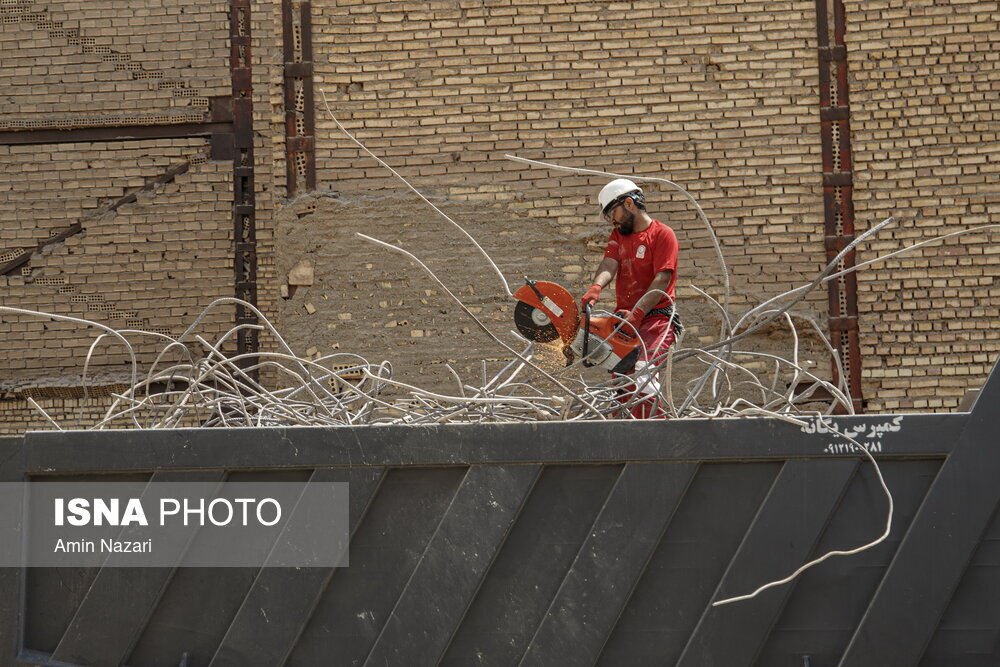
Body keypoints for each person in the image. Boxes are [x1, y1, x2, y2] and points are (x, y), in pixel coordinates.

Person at [580, 178, 682, 418]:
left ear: (628, 203)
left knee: (642, 373)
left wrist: (637, 314)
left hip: (657, 321)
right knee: (622, 384)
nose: (612, 221)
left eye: (612, 213)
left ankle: (655, 437)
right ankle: (626, 438)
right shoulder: (619, 236)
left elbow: (662, 280)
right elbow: (609, 263)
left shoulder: (662, 234)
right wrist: (596, 286)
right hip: (627, 324)